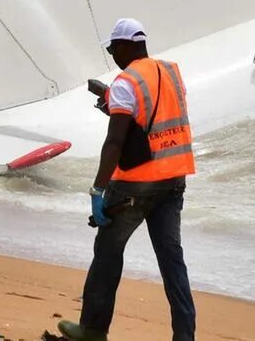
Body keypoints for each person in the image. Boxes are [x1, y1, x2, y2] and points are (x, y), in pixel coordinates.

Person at [58, 18, 196, 341]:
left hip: (135, 185)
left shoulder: (125, 82)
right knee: (172, 261)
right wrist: (115, 104)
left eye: (113, 49)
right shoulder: (172, 72)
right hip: (174, 180)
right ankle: (185, 336)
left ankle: (93, 329)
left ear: (124, 46)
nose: (113, 56)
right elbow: (153, 119)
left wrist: (98, 189)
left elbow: (115, 142)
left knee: (107, 250)